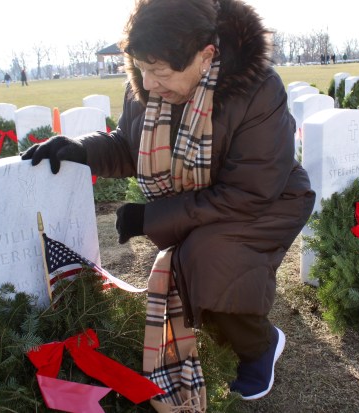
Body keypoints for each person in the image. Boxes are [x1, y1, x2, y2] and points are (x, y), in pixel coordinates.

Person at [22, 0, 315, 403]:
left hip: (269, 198)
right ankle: (225, 325)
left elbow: (248, 191)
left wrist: (151, 218)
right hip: (201, 200)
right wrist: (80, 150)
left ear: (205, 55)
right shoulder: (144, 88)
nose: (149, 83)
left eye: (160, 72)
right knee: (194, 261)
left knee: (208, 255)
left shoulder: (258, 89)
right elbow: (130, 145)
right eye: (141, 68)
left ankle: (260, 346)